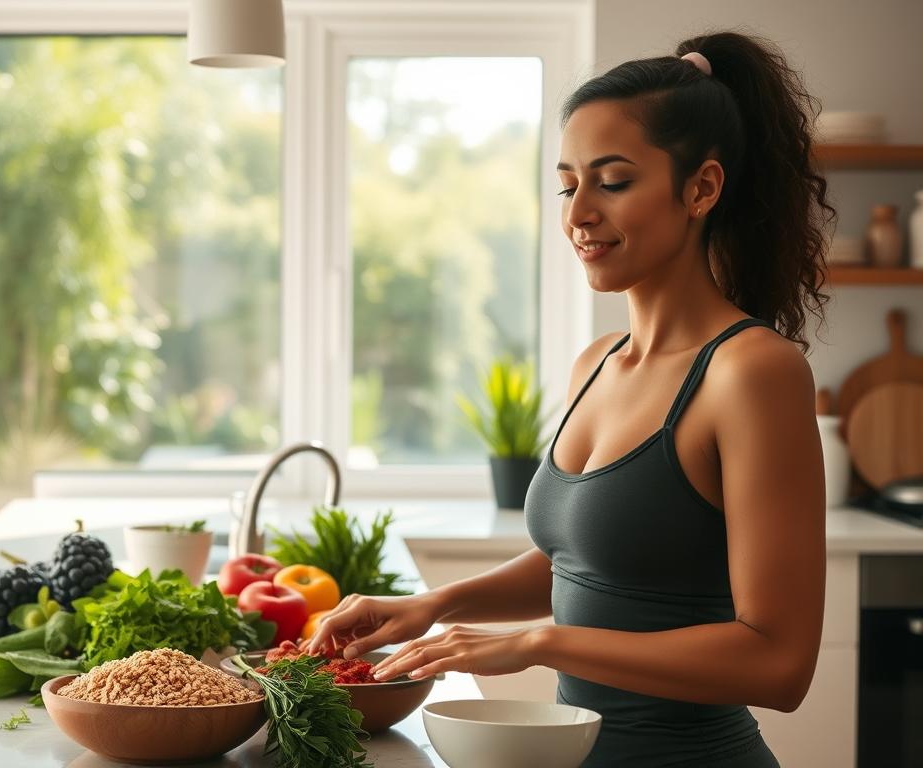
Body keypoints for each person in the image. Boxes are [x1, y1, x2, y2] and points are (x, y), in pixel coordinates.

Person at [304, 31, 832, 767]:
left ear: (701, 189)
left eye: (612, 181)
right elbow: (586, 564)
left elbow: (779, 664)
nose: (578, 212)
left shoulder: (751, 373)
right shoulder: (598, 361)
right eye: (568, 183)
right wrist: (433, 606)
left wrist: (536, 642)